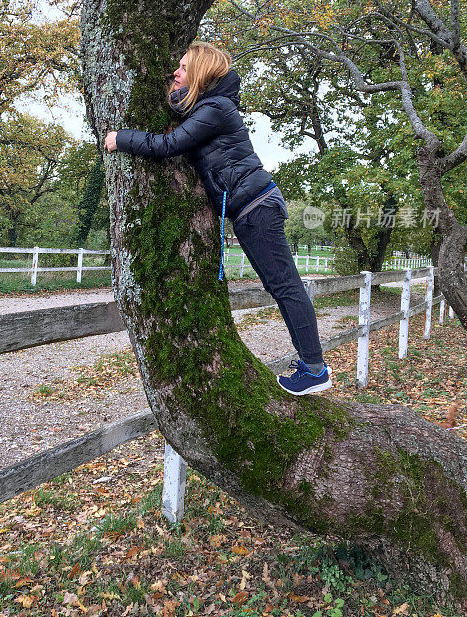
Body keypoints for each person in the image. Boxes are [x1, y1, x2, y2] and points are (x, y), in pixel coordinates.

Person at [104, 41, 331, 396]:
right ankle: (312, 366)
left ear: (198, 73)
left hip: (255, 206)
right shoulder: (209, 108)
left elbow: (167, 146)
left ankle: (314, 369)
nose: (174, 74)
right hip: (250, 207)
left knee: (285, 286)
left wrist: (120, 138)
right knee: (280, 286)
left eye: (181, 68)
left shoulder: (216, 109)